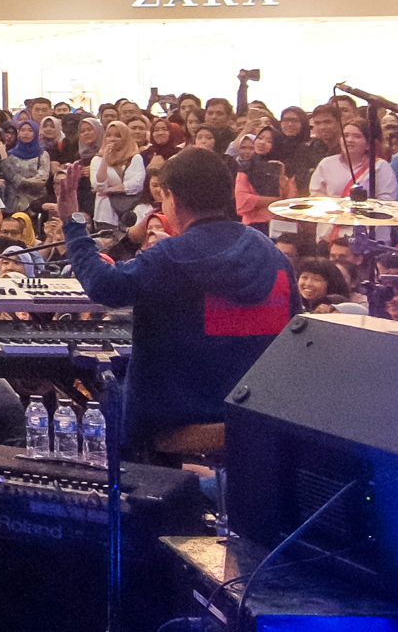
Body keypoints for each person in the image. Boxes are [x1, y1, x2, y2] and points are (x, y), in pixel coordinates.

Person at [60, 147, 295, 458]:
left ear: (173, 198)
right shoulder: (273, 254)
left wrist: (73, 223)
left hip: (175, 424)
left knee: (102, 409)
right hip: (259, 420)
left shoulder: (173, 256)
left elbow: (104, 286)